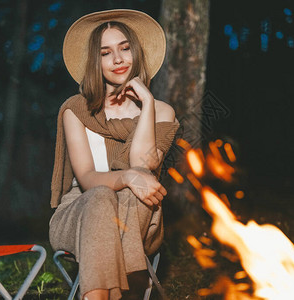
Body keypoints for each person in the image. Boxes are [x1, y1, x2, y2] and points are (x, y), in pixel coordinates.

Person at [49, 9, 179, 300]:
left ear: (137, 52)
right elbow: (86, 178)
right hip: (79, 213)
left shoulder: (162, 111)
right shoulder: (76, 109)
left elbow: (143, 165)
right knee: (100, 196)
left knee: (135, 192)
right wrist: (129, 177)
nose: (118, 59)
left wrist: (147, 103)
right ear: (96, 61)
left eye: (124, 48)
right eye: (106, 53)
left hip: (137, 214)